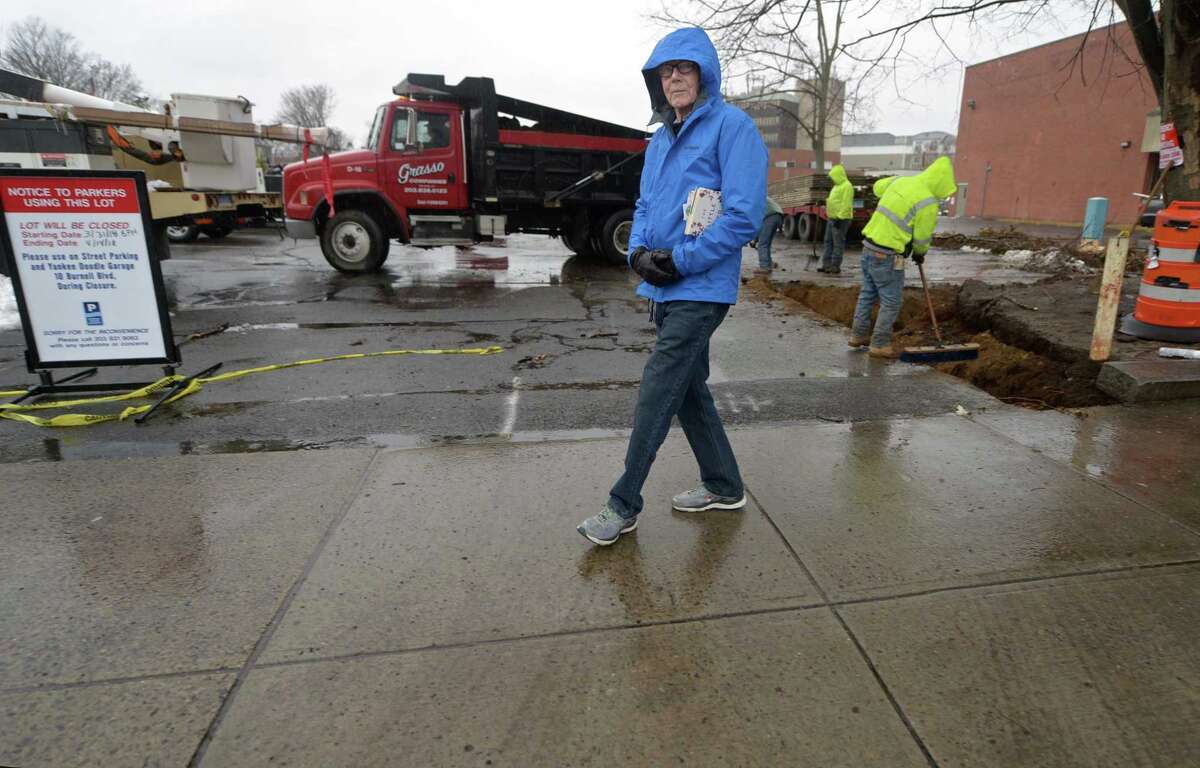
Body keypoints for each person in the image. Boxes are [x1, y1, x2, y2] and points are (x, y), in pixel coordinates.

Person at [576, 27, 767, 546]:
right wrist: (637, 253)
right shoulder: (659, 140)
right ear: (656, 83)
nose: (675, 77)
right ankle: (725, 486)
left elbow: (744, 216)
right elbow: (643, 207)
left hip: (701, 290)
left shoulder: (734, 128)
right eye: (666, 71)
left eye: (685, 68)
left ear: (704, 73)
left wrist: (681, 261)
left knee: (658, 387)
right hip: (663, 287)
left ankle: (623, 504)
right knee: (687, 391)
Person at [849, 156, 957, 359]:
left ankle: (858, 335)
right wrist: (919, 253)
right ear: (940, 184)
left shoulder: (902, 181)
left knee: (868, 294)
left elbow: (878, 187)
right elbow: (922, 237)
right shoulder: (928, 202)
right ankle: (879, 345)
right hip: (888, 254)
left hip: (868, 246)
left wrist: (892, 187)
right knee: (891, 301)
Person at [818, 164, 853, 274]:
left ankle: (835, 265)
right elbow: (835, 201)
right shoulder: (836, 186)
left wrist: (840, 218)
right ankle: (826, 265)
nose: (832, 179)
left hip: (841, 220)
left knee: (838, 243)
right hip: (832, 218)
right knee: (828, 241)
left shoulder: (847, 186)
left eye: (833, 177)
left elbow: (846, 204)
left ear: (838, 175)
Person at [751, 196, 784, 275]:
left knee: (762, 245)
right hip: (778, 216)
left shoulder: (751, 200)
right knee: (766, 244)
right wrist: (755, 240)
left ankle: (765, 267)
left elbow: (757, 224)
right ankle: (769, 264)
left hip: (770, 217)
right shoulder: (759, 195)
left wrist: (754, 240)